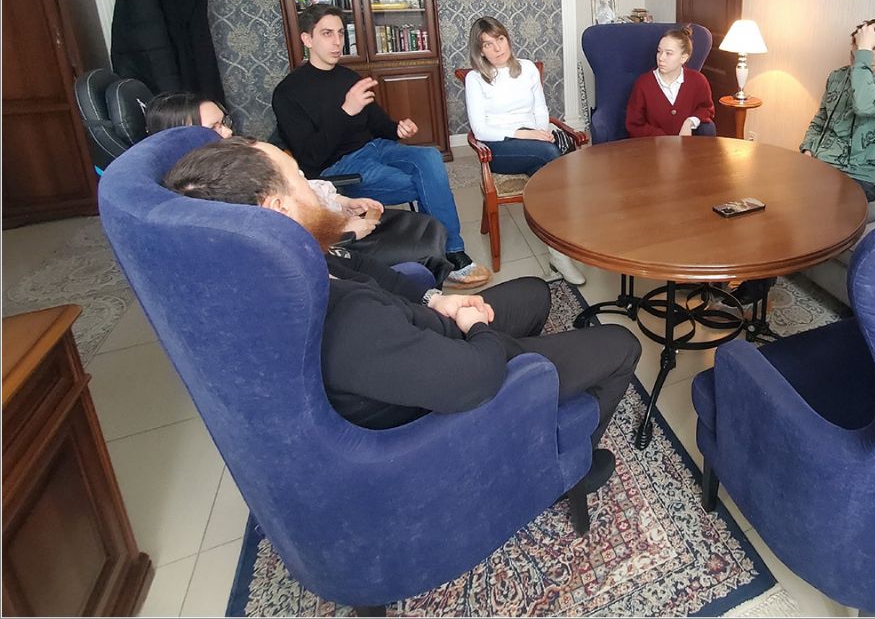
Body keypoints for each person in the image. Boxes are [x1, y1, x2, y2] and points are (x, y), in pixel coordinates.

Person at [161, 136, 641, 496]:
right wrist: (476, 328)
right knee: (621, 344)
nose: (313, 187)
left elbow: (371, 274)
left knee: (535, 292)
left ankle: (529, 418)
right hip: (452, 375)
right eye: (300, 178)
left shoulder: (288, 262)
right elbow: (475, 379)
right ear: (278, 208)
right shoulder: (346, 323)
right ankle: (567, 469)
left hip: (425, 336)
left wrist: (438, 300)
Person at [272, 3, 489, 287]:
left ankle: (446, 251)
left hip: (376, 148)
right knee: (425, 184)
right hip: (339, 167)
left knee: (430, 158)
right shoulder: (288, 93)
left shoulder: (349, 78)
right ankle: (448, 254)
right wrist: (345, 111)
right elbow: (311, 157)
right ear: (307, 39)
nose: (337, 41)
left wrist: (397, 128)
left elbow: (379, 124)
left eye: (340, 33)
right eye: (327, 33)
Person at [145, 91, 456, 285]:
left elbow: (301, 185)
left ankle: (440, 278)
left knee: (428, 216)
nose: (226, 131)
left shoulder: (235, 159)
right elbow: (280, 241)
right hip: (329, 243)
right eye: (213, 127)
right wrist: (342, 230)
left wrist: (342, 201)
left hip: (332, 214)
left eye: (224, 122)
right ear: (180, 134)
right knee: (425, 233)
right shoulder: (210, 190)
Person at [462, 16, 588, 286]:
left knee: (548, 169)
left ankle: (558, 254)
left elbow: (540, 108)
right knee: (551, 157)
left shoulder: (528, 68)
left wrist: (541, 132)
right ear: (480, 51)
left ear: (507, 38)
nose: (497, 48)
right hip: (498, 148)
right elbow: (480, 130)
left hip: (535, 144)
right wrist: (526, 135)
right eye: (488, 44)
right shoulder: (475, 79)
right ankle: (564, 248)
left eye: (500, 39)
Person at [800, 17, 875, 202]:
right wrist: (808, 150)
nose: (855, 63)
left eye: (864, 58)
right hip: (819, 165)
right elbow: (820, 120)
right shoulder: (837, 76)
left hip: (857, 178)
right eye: (853, 55)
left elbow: (864, 106)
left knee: (813, 204)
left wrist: (863, 53)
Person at [625, 27, 716, 138]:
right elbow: (634, 125)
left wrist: (690, 122)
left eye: (668, 53)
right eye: (659, 51)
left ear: (683, 58)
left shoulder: (698, 80)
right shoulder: (643, 84)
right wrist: (661, 137)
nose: (661, 58)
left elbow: (706, 109)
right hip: (653, 146)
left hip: (688, 146)